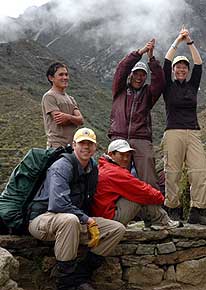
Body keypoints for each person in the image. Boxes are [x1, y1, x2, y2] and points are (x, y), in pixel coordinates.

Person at [28, 128, 126, 290]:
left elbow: (88, 200)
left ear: (95, 147)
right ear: (74, 145)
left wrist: (92, 220)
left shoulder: (92, 168)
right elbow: (58, 204)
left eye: (90, 144)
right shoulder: (62, 166)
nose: (86, 147)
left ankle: (80, 275)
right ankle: (66, 282)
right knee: (70, 220)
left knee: (116, 229)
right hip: (43, 219)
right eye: (82, 143)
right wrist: (88, 220)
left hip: (73, 220)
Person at [162, 27, 206, 225]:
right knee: (172, 172)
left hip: (193, 131)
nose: (181, 69)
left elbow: (199, 63)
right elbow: (166, 62)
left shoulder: (192, 86)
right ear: (174, 71)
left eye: (184, 67)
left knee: (199, 171)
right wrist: (177, 40)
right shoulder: (168, 86)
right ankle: (172, 209)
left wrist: (189, 41)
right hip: (173, 131)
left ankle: (197, 210)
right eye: (178, 67)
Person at [108, 39, 165, 188]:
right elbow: (122, 68)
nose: (139, 77)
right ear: (131, 75)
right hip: (119, 136)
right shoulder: (119, 89)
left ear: (145, 77)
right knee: (117, 177)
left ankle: (153, 209)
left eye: (142, 75)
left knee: (149, 177)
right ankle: (116, 209)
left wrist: (151, 58)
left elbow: (159, 80)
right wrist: (140, 52)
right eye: (136, 74)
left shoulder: (148, 93)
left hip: (141, 138)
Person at [92, 139, 181, 230]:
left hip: (102, 216)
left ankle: (154, 222)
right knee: (141, 195)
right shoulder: (114, 172)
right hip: (110, 219)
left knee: (139, 193)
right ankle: (162, 221)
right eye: (122, 155)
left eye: (127, 155)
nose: (126, 158)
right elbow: (142, 190)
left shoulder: (103, 167)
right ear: (111, 154)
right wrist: (161, 199)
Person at [42, 62, 84, 148]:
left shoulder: (71, 99)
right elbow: (60, 120)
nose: (65, 77)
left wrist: (68, 117)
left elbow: (81, 120)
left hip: (72, 146)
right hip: (56, 146)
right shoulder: (49, 96)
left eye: (66, 74)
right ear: (51, 78)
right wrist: (74, 119)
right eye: (61, 75)